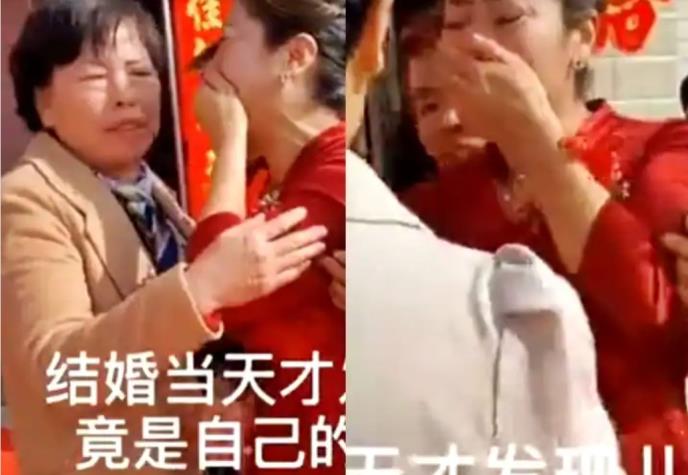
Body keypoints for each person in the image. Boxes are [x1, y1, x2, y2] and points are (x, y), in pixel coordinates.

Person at [1, 1, 328, 474]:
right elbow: (60, 374)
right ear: (42, 100)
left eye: (140, 72)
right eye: (95, 77)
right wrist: (202, 288)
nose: (125, 95)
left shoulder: (150, 192)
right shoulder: (27, 201)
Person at [385, 0, 688, 472]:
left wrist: (535, 140)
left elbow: (657, 326)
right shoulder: (434, 206)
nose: (476, 43)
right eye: (457, 23)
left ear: (581, 38)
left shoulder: (663, 150)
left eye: (507, 18)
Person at [345, 1, 619, 473]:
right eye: (428, 105)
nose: (450, 120)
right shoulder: (418, 213)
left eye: (507, 20)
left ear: (583, 37)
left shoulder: (661, 160)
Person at [184, 0, 346, 473]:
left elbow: (215, 286)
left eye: (228, 38)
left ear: (295, 56)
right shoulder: (278, 179)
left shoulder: (335, 178)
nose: (209, 69)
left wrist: (231, 141)